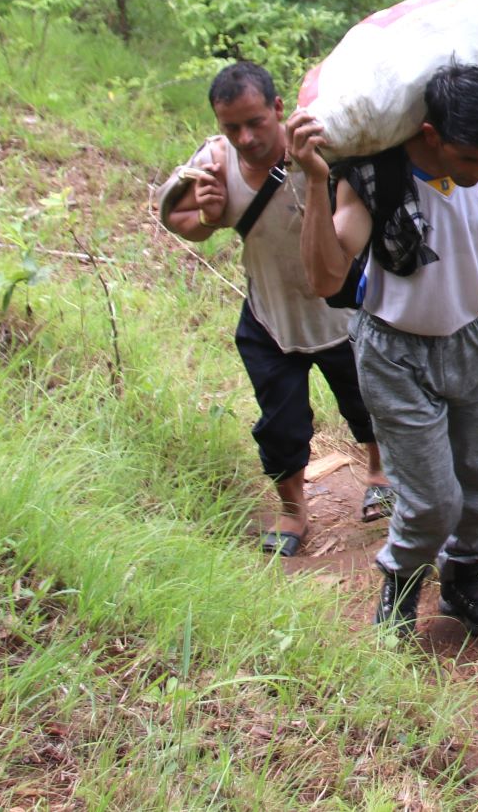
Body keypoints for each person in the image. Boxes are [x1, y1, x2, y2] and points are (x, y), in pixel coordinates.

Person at [292, 62, 478, 638]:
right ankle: (401, 583)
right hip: (395, 352)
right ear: (431, 137)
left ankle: (464, 580)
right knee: (430, 498)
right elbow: (327, 279)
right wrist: (311, 180)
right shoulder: (375, 176)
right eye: (469, 161)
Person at [159, 61, 389, 559]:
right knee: (280, 423)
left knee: (366, 401)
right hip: (270, 318)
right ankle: (292, 510)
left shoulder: (323, 144)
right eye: (231, 127)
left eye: (255, 122)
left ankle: (379, 473)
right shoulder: (215, 161)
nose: (244, 138)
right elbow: (179, 221)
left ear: (278, 108)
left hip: (342, 313)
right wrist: (207, 212)